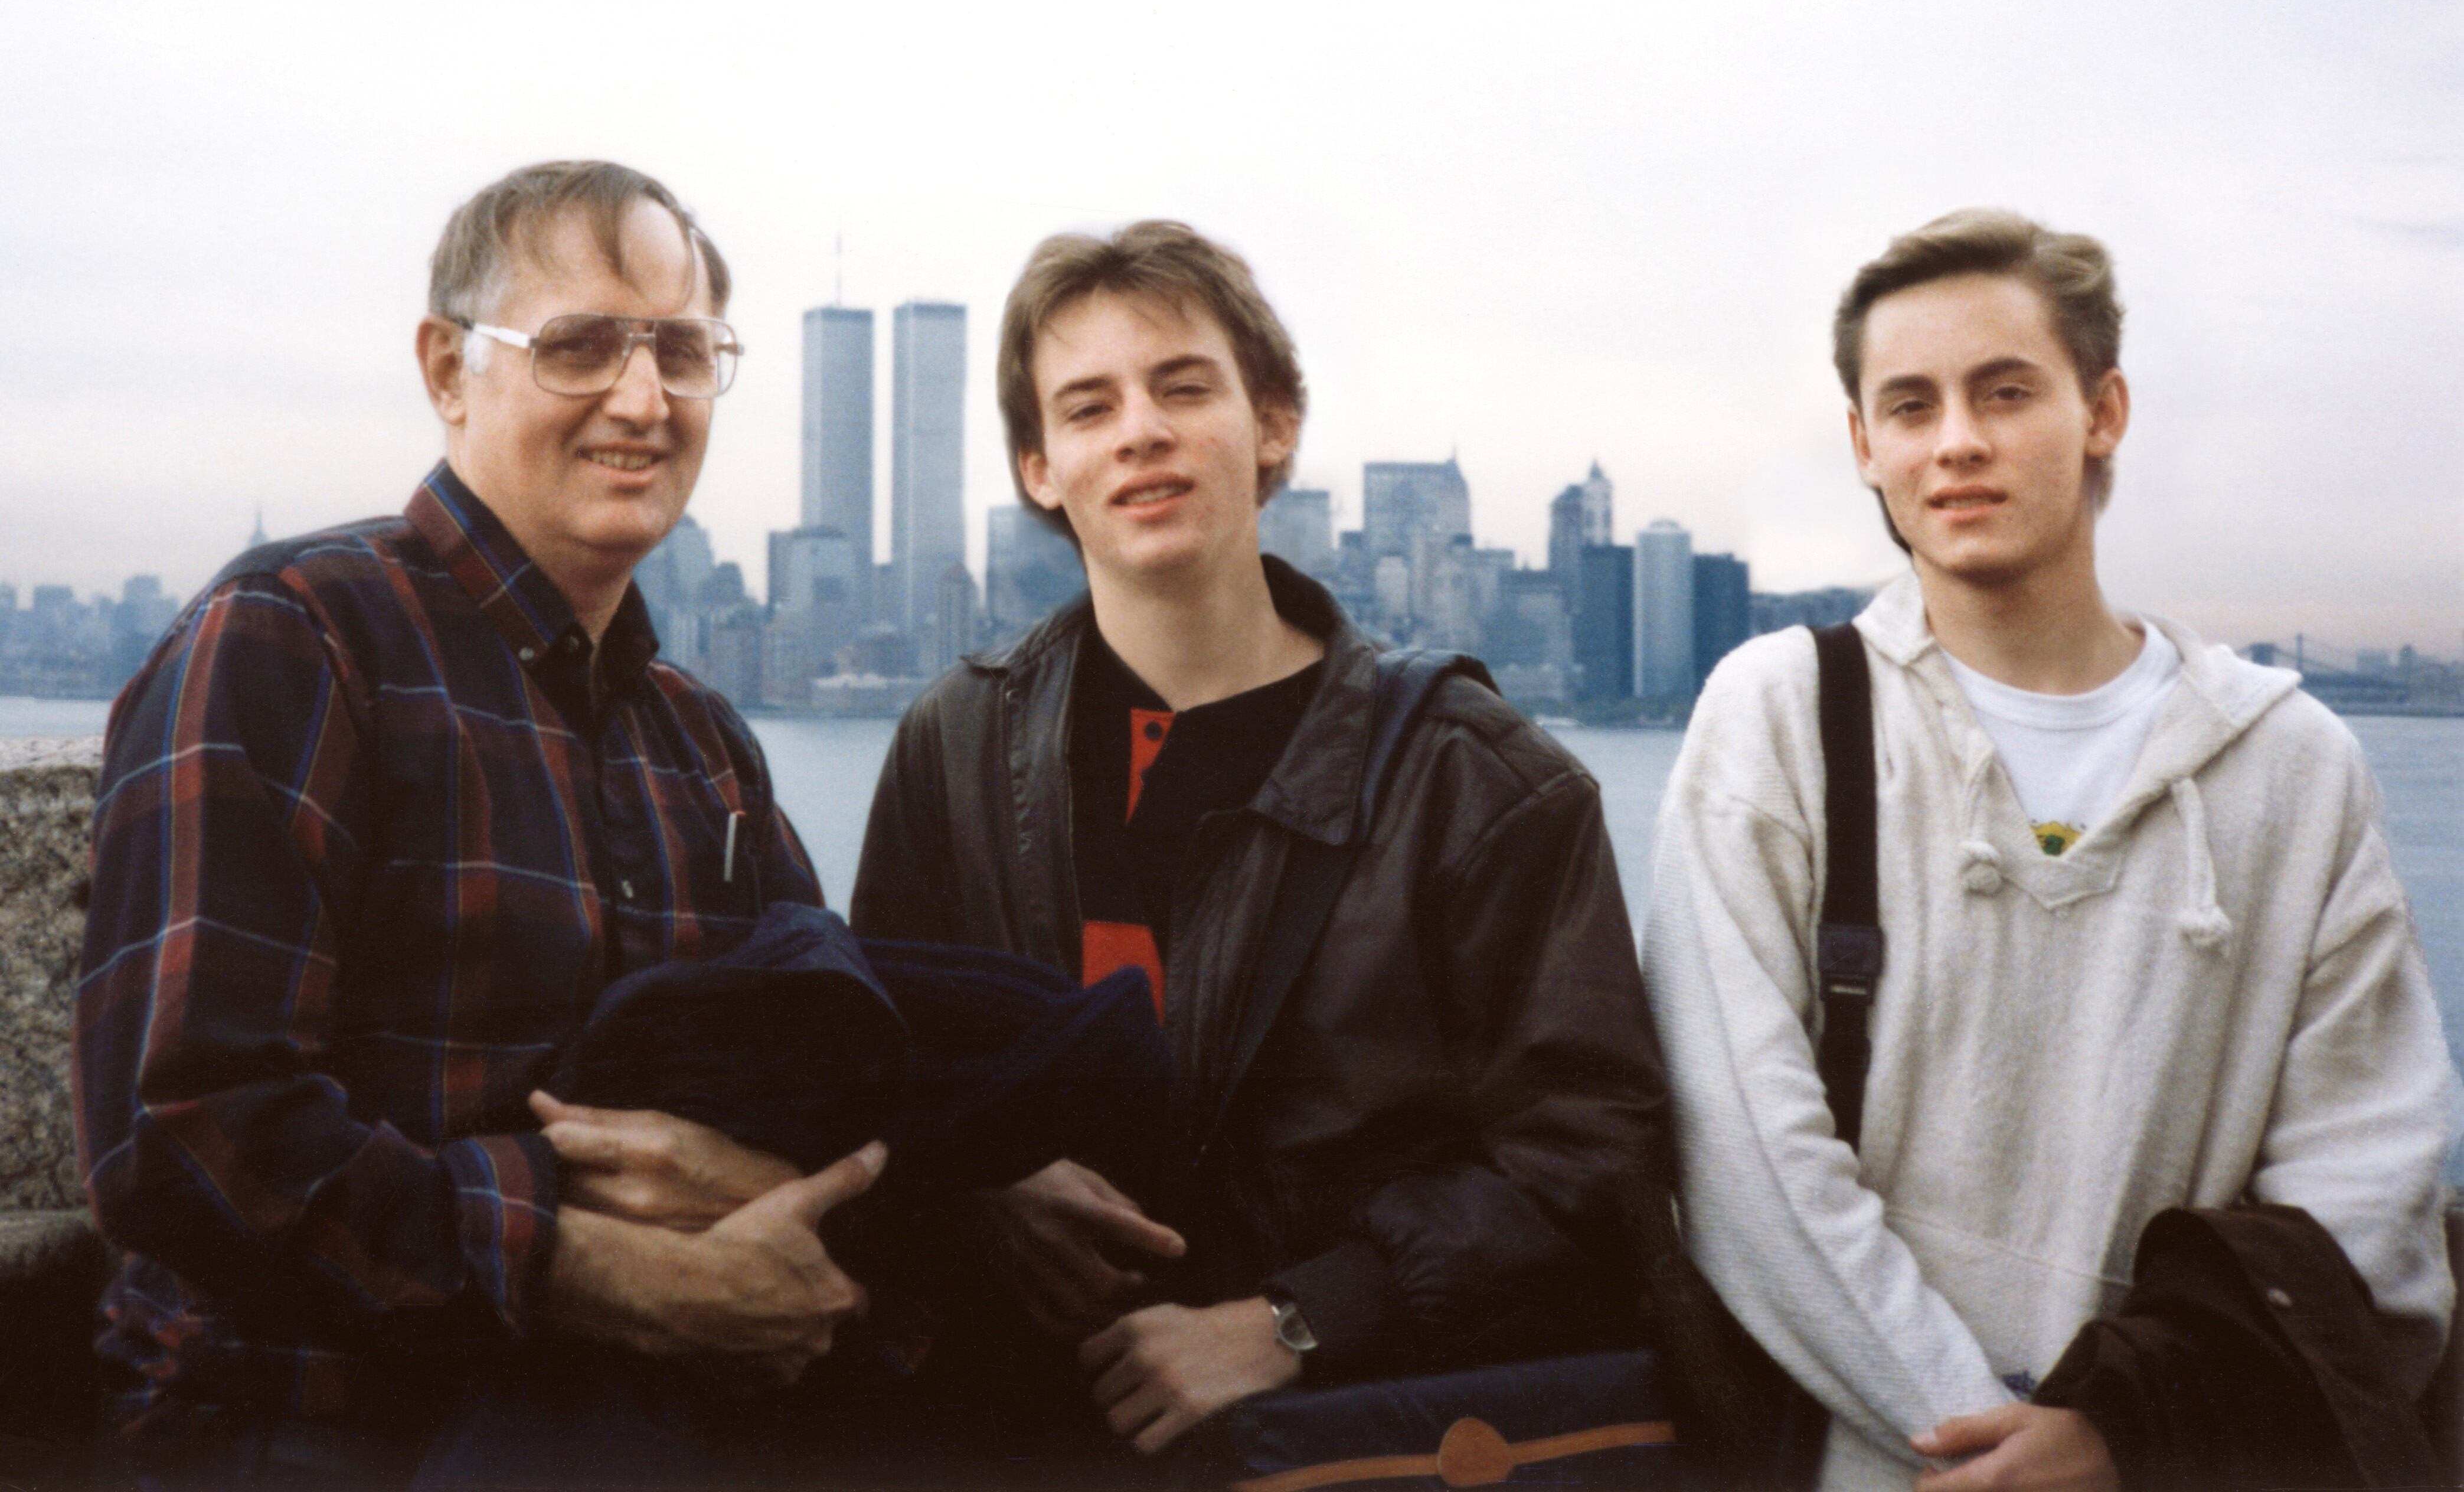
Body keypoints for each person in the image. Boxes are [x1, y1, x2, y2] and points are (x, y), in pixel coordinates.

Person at [76, 161, 883, 1481]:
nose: (642, 397)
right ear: (448, 370)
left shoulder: (703, 740)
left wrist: (778, 1189)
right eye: (578, 346)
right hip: (313, 1431)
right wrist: (584, 1257)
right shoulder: (298, 640)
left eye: (681, 350)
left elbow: (836, 1057)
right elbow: (183, 1131)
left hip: (642, 1430)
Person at [1639, 208, 2458, 1490]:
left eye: (2004, 390)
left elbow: (2365, 1176)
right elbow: (1737, 1150)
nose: (1954, 439)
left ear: (2103, 410)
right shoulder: (1782, 716)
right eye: (1907, 406)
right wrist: (1975, 1436)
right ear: (1864, 446)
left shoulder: (2289, 764)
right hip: (1859, 1464)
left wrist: (2124, 1431)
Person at [850, 220, 1668, 1457]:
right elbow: (879, 1073)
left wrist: (1295, 1322)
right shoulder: (953, 744)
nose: (1139, 430)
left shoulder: (1481, 782)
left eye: (1184, 387)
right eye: (1087, 406)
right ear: (1037, 466)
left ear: (1272, 425)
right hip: (1007, 1431)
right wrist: (981, 1195)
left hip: (1347, 1445)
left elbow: (1591, 1160)